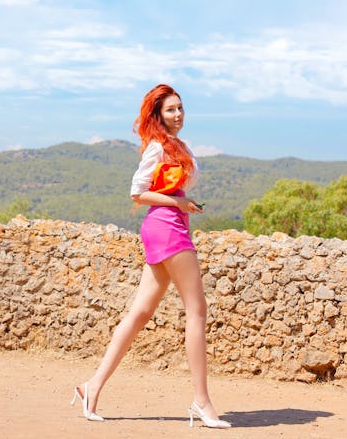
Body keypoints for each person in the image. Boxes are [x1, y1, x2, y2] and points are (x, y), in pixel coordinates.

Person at [71, 84, 231, 429]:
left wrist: (183, 203)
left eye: (180, 108)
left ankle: (91, 387)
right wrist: (177, 203)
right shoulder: (158, 147)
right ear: (158, 116)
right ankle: (201, 402)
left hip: (170, 225)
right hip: (167, 226)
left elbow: (168, 190)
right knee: (197, 310)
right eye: (171, 109)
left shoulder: (178, 146)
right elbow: (137, 192)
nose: (178, 114)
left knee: (141, 312)